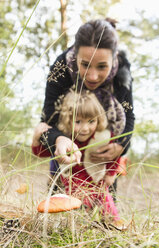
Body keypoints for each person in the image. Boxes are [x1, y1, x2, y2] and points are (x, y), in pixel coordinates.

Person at [35, 17, 135, 192]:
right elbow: (47, 119)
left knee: (103, 209)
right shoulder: (60, 68)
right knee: (60, 207)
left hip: (103, 154)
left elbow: (128, 116)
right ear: (76, 55)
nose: (92, 76)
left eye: (102, 67)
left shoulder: (122, 71)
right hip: (67, 148)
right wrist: (58, 139)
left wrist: (120, 145)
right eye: (85, 65)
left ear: (114, 59)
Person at [32, 90, 126, 224]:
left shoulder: (104, 137)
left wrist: (111, 173)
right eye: (78, 121)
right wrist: (36, 140)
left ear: (99, 119)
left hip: (98, 186)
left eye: (91, 121)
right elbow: (42, 152)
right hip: (73, 189)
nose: (85, 128)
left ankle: (114, 234)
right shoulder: (65, 141)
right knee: (77, 220)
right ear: (68, 120)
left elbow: (114, 155)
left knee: (111, 217)